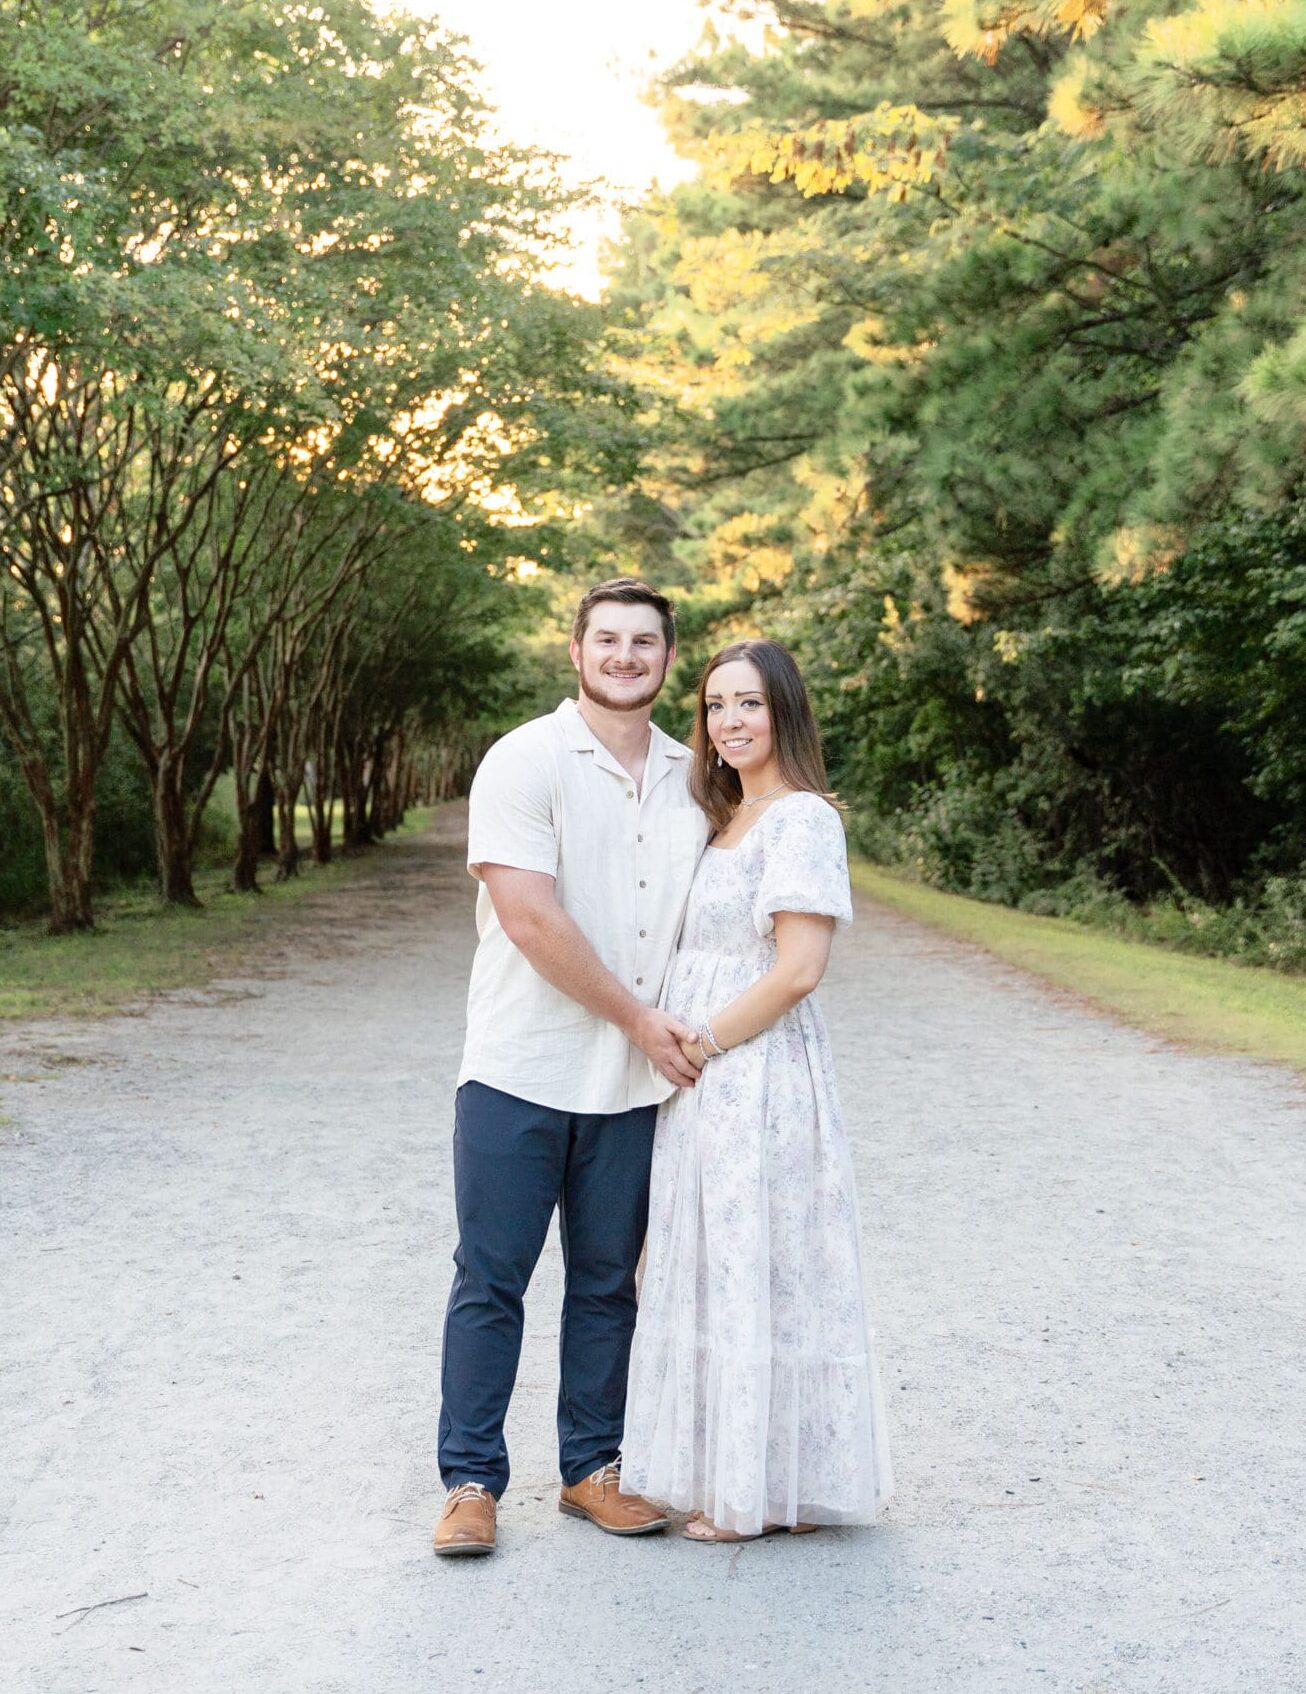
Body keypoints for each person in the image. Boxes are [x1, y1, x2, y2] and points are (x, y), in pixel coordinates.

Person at [433, 578, 709, 1557]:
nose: (626, 654)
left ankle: (593, 1468)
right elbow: (530, 917)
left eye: (644, 641)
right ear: (576, 651)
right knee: (490, 1277)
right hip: (519, 1066)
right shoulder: (525, 759)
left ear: (667, 658)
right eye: (608, 638)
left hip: (635, 1085)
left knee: (606, 1283)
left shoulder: (695, 775)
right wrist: (640, 1016)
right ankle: (469, 1479)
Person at [620, 638, 894, 1541]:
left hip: (755, 1069)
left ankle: (755, 1495)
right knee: (711, 1263)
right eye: (714, 707)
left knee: (753, 1267)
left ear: (785, 712)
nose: (729, 722)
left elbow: (801, 968)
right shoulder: (724, 817)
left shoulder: (801, 819)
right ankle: (750, 1474)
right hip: (701, 1076)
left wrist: (701, 1042)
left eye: (749, 704)